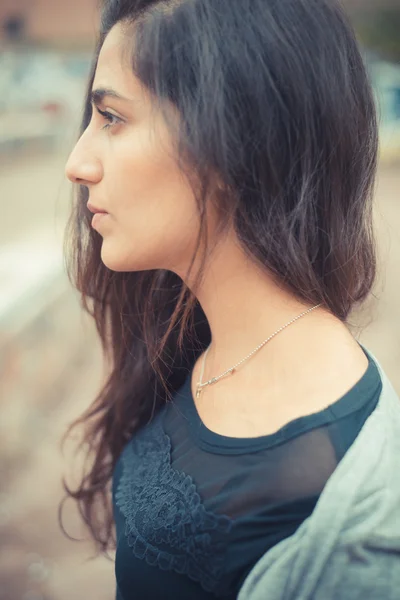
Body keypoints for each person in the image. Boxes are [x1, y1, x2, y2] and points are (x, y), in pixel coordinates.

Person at [63, 1, 400, 599]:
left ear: (232, 134)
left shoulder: (345, 508)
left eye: (112, 117)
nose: (77, 163)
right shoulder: (191, 332)